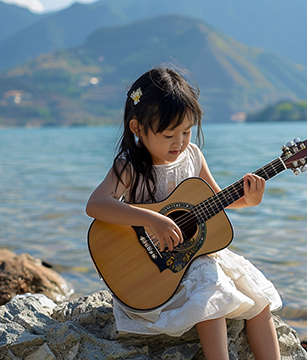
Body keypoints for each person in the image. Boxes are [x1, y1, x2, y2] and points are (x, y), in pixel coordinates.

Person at [86, 66, 282, 360]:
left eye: (187, 132)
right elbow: (96, 205)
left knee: (259, 296)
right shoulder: (131, 165)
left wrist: (249, 200)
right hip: (154, 272)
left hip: (194, 256)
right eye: (169, 134)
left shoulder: (193, 156)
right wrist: (153, 219)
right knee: (211, 291)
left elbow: (216, 201)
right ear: (137, 128)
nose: (179, 142)